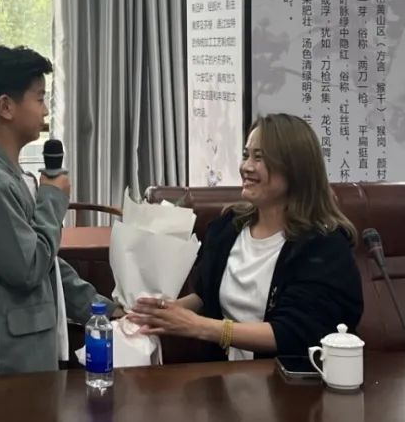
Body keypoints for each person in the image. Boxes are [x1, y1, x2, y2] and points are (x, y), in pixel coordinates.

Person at [128, 113, 362, 361]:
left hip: (286, 380)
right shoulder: (228, 227)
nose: (246, 167)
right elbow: (205, 295)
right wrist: (161, 312)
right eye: (246, 155)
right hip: (223, 375)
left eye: (259, 158)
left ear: (295, 168)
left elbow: (293, 332)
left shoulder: (323, 245)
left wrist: (199, 326)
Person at [0, 45, 116, 377]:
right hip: (4, 365)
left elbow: (47, 260)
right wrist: (52, 200)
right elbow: (29, 268)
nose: (45, 110)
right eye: (39, 98)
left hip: (25, 355)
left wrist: (104, 310)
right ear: (6, 107)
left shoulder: (12, 175)